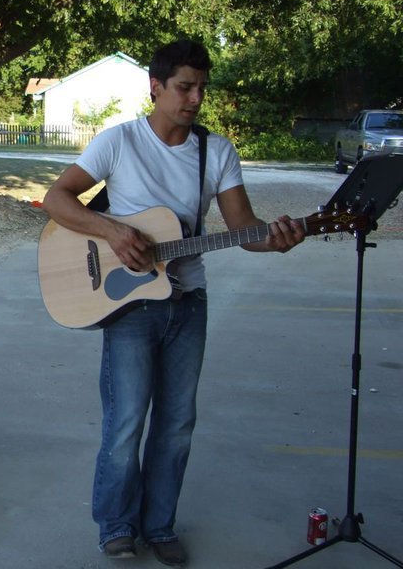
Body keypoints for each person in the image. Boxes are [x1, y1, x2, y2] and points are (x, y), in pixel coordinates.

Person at [41, 39, 305, 565]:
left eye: (202, 88)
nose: (195, 98)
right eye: (185, 87)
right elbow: (57, 199)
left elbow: (243, 230)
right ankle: (116, 524)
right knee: (126, 422)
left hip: (188, 302)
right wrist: (113, 232)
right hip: (128, 305)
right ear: (156, 87)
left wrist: (276, 238)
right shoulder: (119, 142)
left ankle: (159, 525)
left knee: (177, 423)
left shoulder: (217, 151)